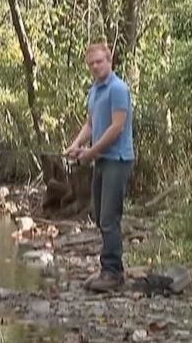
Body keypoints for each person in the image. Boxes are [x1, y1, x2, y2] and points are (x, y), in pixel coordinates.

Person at [64, 42, 135, 292]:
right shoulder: (94, 90)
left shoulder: (118, 89)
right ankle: (108, 269)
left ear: (109, 61)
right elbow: (91, 124)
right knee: (99, 216)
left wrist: (91, 152)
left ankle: (113, 274)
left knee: (109, 217)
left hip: (117, 160)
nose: (95, 66)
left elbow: (117, 127)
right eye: (91, 63)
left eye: (99, 61)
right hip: (102, 160)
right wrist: (75, 145)